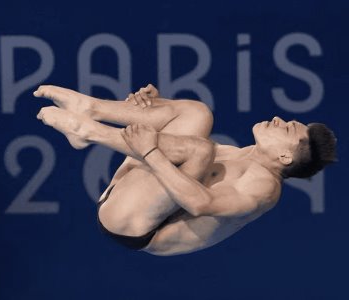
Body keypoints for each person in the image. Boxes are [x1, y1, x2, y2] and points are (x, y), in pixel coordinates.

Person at [34, 84, 337, 256]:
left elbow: (199, 203)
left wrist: (149, 150)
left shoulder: (264, 188)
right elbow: (177, 147)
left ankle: (90, 131)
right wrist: (155, 106)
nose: (277, 119)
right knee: (197, 113)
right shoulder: (246, 154)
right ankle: (92, 110)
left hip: (135, 225)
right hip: (130, 195)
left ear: (285, 157)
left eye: (287, 128)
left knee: (200, 149)